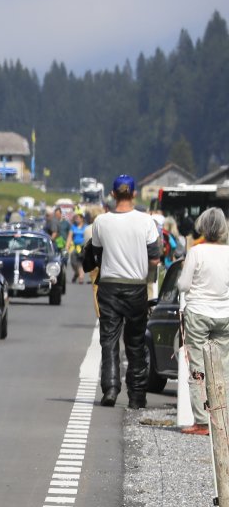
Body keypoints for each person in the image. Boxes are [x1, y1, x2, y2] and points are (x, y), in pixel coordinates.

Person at [84, 173, 165, 407]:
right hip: (136, 286)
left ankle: (110, 388)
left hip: (109, 285)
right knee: (136, 342)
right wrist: (146, 276)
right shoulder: (146, 221)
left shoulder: (101, 222)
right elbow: (155, 258)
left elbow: (97, 255)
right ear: (134, 194)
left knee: (109, 339)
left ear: (112, 194)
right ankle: (137, 396)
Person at [176, 207, 229, 435]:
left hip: (198, 312)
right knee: (223, 367)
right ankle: (222, 419)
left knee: (198, 367)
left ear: (203, 227)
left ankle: (201, 421)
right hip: (224, 313)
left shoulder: (196, 252)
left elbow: (184, 285)